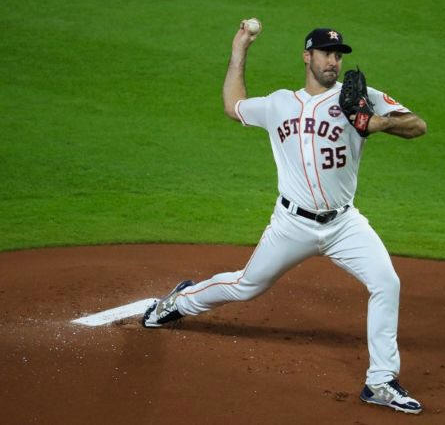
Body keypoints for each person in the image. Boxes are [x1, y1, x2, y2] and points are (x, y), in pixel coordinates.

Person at [142, 22, 427, 415]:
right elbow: (233, 106)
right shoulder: (279, 104)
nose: (333, 61)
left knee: (386, 282)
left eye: (338, 54)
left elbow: (418, 126)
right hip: (292, 224)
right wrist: (240, 48)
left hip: (344, 224)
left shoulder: (360, 98)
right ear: (307, 57)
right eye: (326, 53)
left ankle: (380, 381)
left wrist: (375, 123)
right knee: (246, 285)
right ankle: (178, 302)